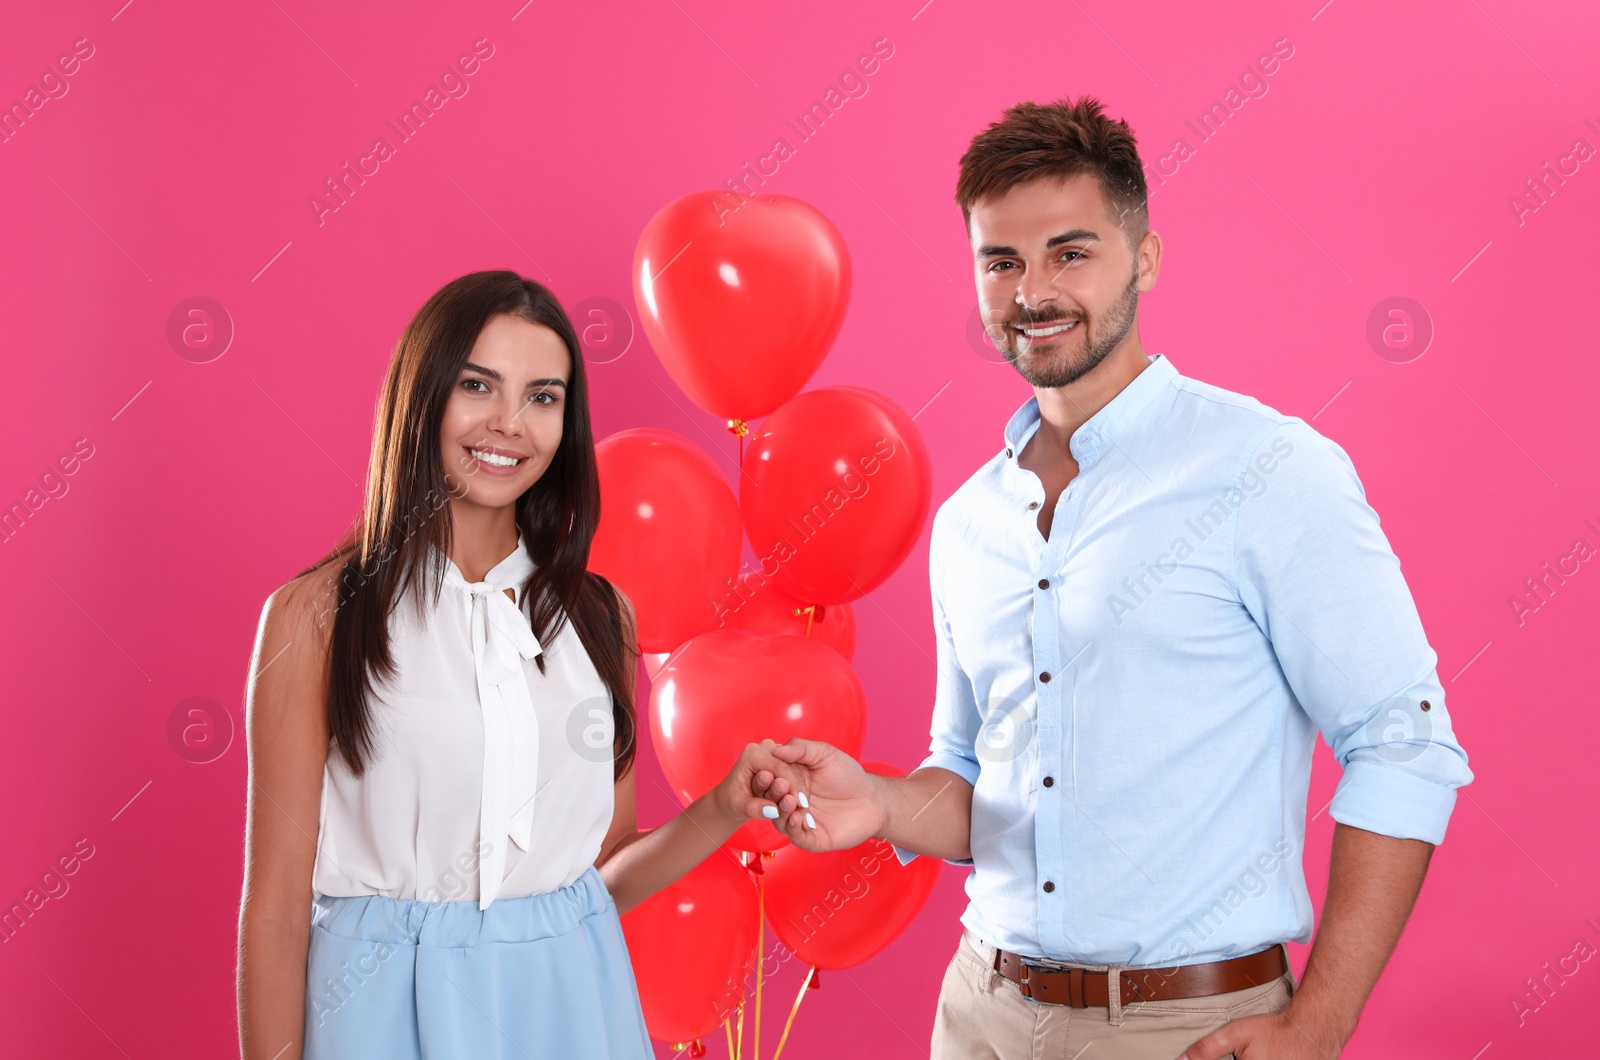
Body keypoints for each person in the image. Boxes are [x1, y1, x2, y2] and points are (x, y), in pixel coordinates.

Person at [751, 96, 1473, 1059]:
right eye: (1000, 261)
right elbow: (977, 781)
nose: (1033, 291)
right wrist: (885, 802)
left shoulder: (1269, 469)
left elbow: (1405, 746)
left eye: (1071, 252)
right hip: (981, 1014)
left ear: (1146, 258)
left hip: (1188, 1028)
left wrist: (1321, 1022)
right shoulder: (970, 523)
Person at [236, 270, 785, 1059]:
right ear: (421, 394)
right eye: (477, 385)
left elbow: (599, 875)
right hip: (377, 1011)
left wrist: (721, 808)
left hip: (567, 1006)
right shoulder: (317, 618)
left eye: (543, 397)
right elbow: (277, 910)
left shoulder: (600, 618)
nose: (508, 424)